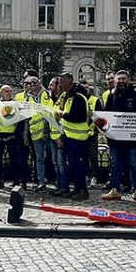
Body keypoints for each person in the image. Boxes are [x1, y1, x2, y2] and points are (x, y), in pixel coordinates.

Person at [100, 70, 136, 201]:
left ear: (128, 79)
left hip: (132, 138)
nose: (121, 81)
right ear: (115, 81)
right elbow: (106, 116)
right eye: (118, 79)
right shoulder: (111, 97)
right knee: (114, 164)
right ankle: (115, 189)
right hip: (115, 138)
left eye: (123, 79)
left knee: (134, 163)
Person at [54, 72, 91, 201]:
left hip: (78, 137)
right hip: (70, 135)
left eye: (61, 82)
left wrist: (63, 115)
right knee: (73, 165)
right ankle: (76, 189)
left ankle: (83, 190)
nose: (60, 85)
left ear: (67, 82)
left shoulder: (78, 96)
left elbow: (78, 117)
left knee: (77, 165)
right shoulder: (68, 95)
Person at [23, 75, 61, 194]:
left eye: (34, 82)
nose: (32, 85)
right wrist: (25, 134)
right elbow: (26, 118)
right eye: (29, 83)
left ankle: (59, 183)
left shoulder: (48, 94)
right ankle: (41, 183)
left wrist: (45, 130)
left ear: (39, 82)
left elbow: (49, 112)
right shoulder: (27, 99)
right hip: (35, 133)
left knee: (55, 160)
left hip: (50, 131)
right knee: (39, 159)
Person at [0, 85, 25, 191]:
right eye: (6, 91)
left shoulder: (15, 104)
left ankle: (16, 183)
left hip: (11, 136)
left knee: (14, 160)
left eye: (10, 91)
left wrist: (16, 134)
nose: (8, 93)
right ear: (1, 93)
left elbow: (20, 120)